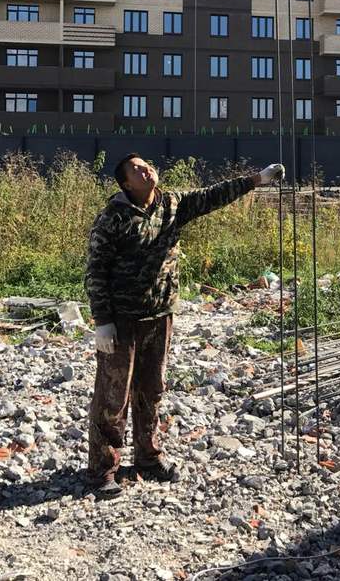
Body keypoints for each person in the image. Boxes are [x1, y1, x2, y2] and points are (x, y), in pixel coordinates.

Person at [85, 153, 285, 496]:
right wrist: (102, 320)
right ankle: (103, 469)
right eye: (136, 169)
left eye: (146, 164)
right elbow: (95, 269)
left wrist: (257, 180)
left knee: (152, 390)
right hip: (122, 320)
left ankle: (147, 457)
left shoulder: (172, 204)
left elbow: (212, 195)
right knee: (112, 397)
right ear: (126, 184)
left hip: (159, 315)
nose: (146, 170)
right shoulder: (113, 217)